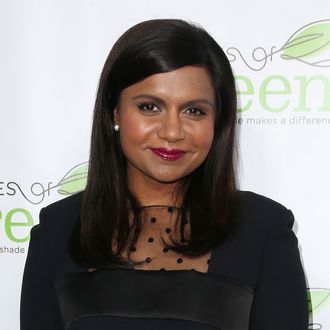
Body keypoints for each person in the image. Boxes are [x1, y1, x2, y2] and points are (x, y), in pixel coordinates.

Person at [20, 18, 309, 330]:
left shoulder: (263, 229)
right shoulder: (57, 230)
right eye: (150, 107)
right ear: (115, 111)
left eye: (194, 111)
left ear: (217, 122)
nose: (172, 132)